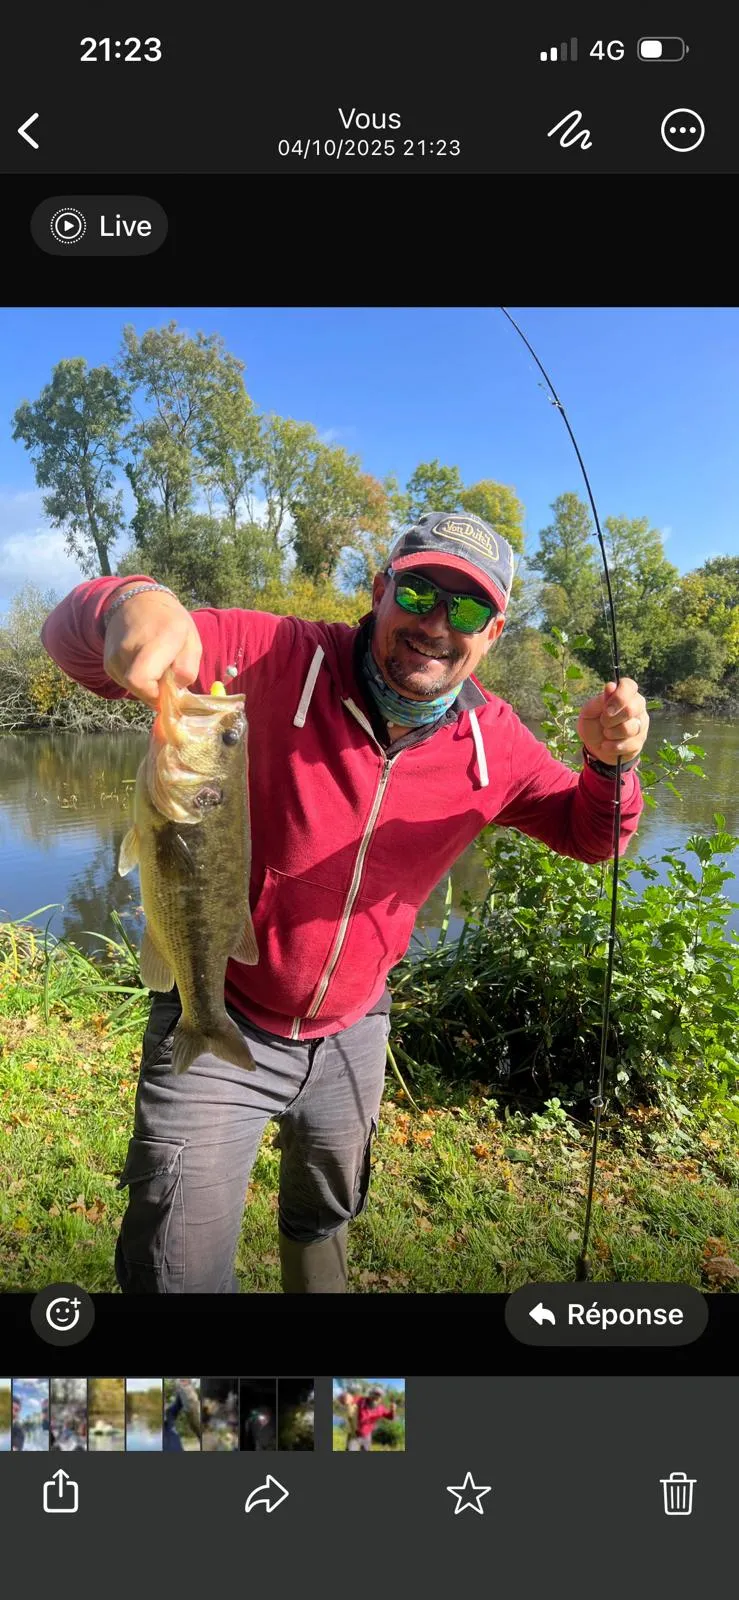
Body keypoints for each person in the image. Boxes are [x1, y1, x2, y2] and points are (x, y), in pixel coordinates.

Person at [40, 510, 648, 1295]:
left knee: (323, 1223)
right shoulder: (274, 654)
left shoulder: (498, 742)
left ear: (492, 632)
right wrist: (133, 600)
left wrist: (609, 767)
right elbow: (77, 643)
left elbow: (591, 833)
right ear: (378, 590)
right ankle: (193, 1413)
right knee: (172, 1271)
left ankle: (325, 1398)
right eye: (418, 590)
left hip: (354, 1031)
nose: (434, 623)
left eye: (464, 610)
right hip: (221, 1002)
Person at [346, 1386, 396, 1452]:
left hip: (367, 1436)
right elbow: (350, 1399)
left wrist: (393, 1410)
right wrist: (346, 1398)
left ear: (381, 1398)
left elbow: (391, 1417)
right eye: (375, 1394)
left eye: (379, 1395)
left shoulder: (381, 1408)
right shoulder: (361, 1400)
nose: (376, 1397)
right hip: (354, 1434)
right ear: (370, 1394)